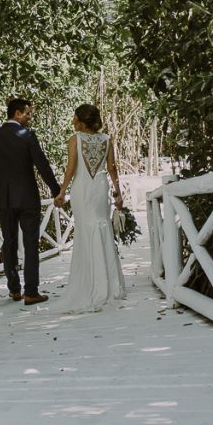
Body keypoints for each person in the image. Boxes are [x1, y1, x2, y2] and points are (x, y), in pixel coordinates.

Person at [0, 98, 61, 306]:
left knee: (8, 243)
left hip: (4, 199)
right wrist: (56, 190)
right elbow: (42, 165)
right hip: (27, 198)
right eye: (27, 114)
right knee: (30, 244)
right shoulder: (27, 136)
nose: (29, 117)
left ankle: (14, 289)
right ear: (17, 114)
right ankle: (31, 292)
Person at [51, 104, 125, 313]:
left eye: (75, 117)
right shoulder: (107, 139)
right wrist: (118, 193)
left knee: (86, 231)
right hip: (100, 189)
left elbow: (71, 168)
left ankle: (90, 283)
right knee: (102, 228)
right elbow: (112, 168)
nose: (73, 120)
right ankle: (109, 285)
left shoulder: (75, 139)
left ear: (81, 121)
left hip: (82, 189)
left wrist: (62, 191)